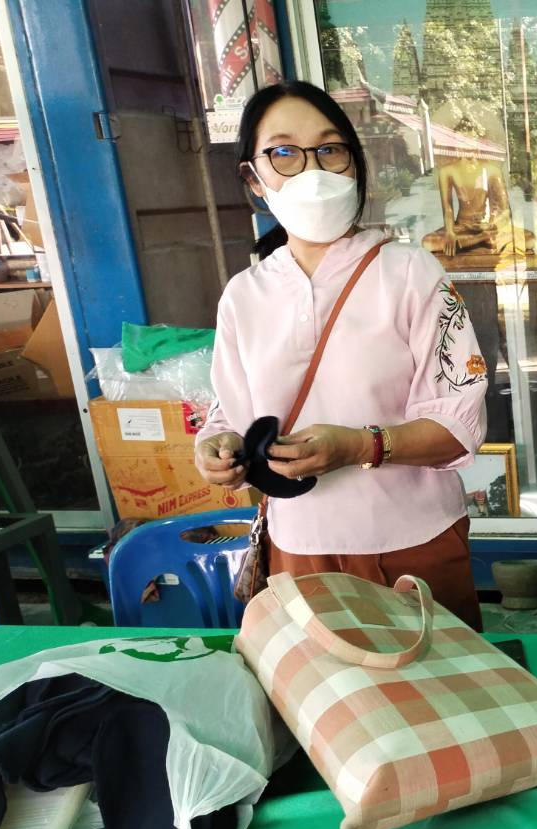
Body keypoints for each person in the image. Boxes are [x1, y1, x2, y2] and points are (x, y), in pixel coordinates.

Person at [192, 80, 487, 629]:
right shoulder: (244, 295)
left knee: (435, 703)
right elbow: (229, 414)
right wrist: (217, 449)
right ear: (253, 179)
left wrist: (360, 446)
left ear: (353, 164)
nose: (313, 169)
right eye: (284, 152)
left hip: (415, 543)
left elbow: (460, 422)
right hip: (300, 549)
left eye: (330, 149)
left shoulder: (409, 273)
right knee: (325, 707)